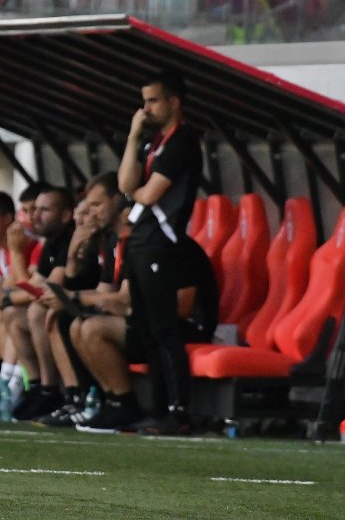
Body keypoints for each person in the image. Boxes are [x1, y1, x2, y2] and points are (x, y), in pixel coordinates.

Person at [114, 70, 203, 435]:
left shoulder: (183, 141)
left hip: (161, 244)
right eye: (144, 101)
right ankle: (156, 409)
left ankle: (178, 411)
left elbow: (149, 194)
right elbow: (125, 183)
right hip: (140, 243)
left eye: (152, 101)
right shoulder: (152, 142)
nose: (145, 109)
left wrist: (136, 192)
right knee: (147, 329)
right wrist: (133, 136)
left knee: (165, 329)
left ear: (173, 102)